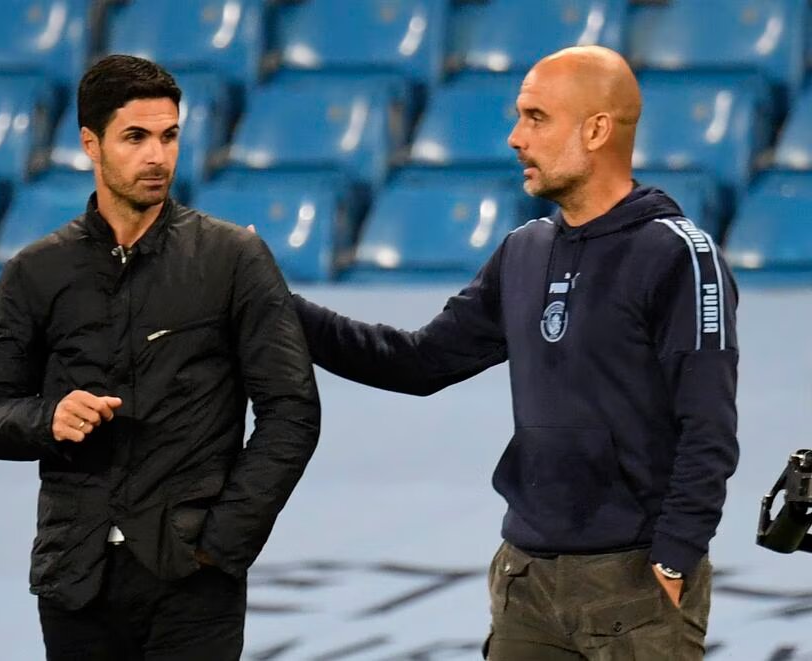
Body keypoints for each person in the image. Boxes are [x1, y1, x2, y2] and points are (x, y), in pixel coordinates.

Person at [289, 46, 738, 660]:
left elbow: (708, 425)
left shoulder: (676, 254)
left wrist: (677, 553)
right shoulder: (524, 250)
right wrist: (280, 305)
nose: (514, 137)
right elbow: (419, 362)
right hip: (526, 583)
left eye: (535, 117)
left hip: (635, 590)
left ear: (597, 129)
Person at [0, 54, 321, 660]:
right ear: (90, 143)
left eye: (169, 135)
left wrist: (222, 542)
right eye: (135, 137)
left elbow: (291, 412)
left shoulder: (234, 258)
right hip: (76, 578)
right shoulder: (35, 272)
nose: (157, 155)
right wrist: (45, 419)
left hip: (193, 582)